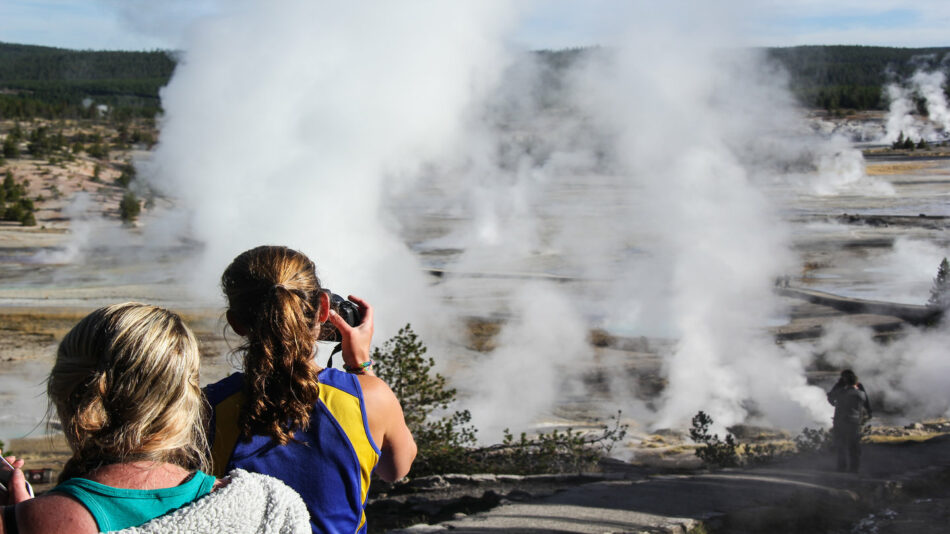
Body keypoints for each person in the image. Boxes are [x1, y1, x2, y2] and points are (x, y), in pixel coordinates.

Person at [0, 303, 310, 534]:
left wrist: (21, 517)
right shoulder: (267, 511)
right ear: (186, 399)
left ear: (68, 395)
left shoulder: (35, 523)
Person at [204, 245, 417, 534]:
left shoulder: (207, 406)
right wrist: (360, 366)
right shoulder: (370, 398)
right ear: (324, 310)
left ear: (236, 323)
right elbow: (396, 470)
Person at [827, 369, 872, 473]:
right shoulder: (860, 392)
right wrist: (868, 413)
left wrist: (834, 403)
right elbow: (866, 401)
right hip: (854, 420)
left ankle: (841, 467)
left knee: (841, 444)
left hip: (840, 419)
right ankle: (854, 468)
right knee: (853, 445)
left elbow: (830, 396)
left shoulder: (840, 390)